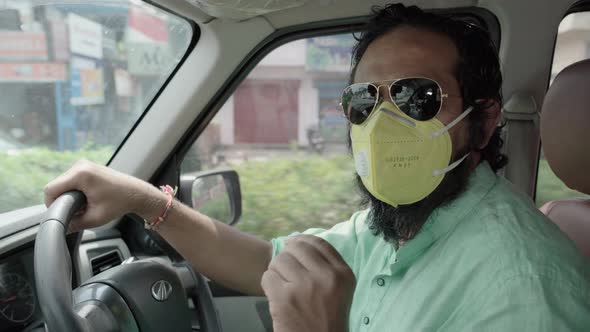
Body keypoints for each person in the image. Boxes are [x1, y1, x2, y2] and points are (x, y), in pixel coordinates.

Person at [44, 4, 590, 331]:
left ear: (485, 122)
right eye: (364, 102)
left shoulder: (524, 294)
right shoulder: (399, 223)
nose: (383, 125)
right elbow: (269, 263)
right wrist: (146, 201)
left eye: (417, 98)